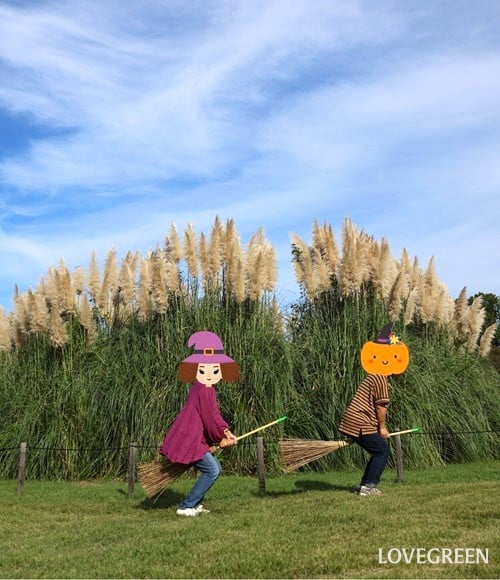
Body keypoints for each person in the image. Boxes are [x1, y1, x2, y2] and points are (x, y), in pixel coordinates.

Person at [159, 330, 240, 516]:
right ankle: (186, 506)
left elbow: (213, 414)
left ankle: (194, 504)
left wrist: (226, 432)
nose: (210, 373)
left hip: (193, 438)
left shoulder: (200, 386)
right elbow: (209, 417)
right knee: (212, 470)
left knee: (214, 469)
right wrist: (221, 437)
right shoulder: (205, 389)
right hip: (191, 439)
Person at [339, 324, 409, 496]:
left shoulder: (374, 376)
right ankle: (368, 486)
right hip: (360, 422)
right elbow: (380, 406)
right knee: (382, 451)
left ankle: (364, 484)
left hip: (355, 421)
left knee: (378, 451)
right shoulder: (380, 378)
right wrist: (382, 427)